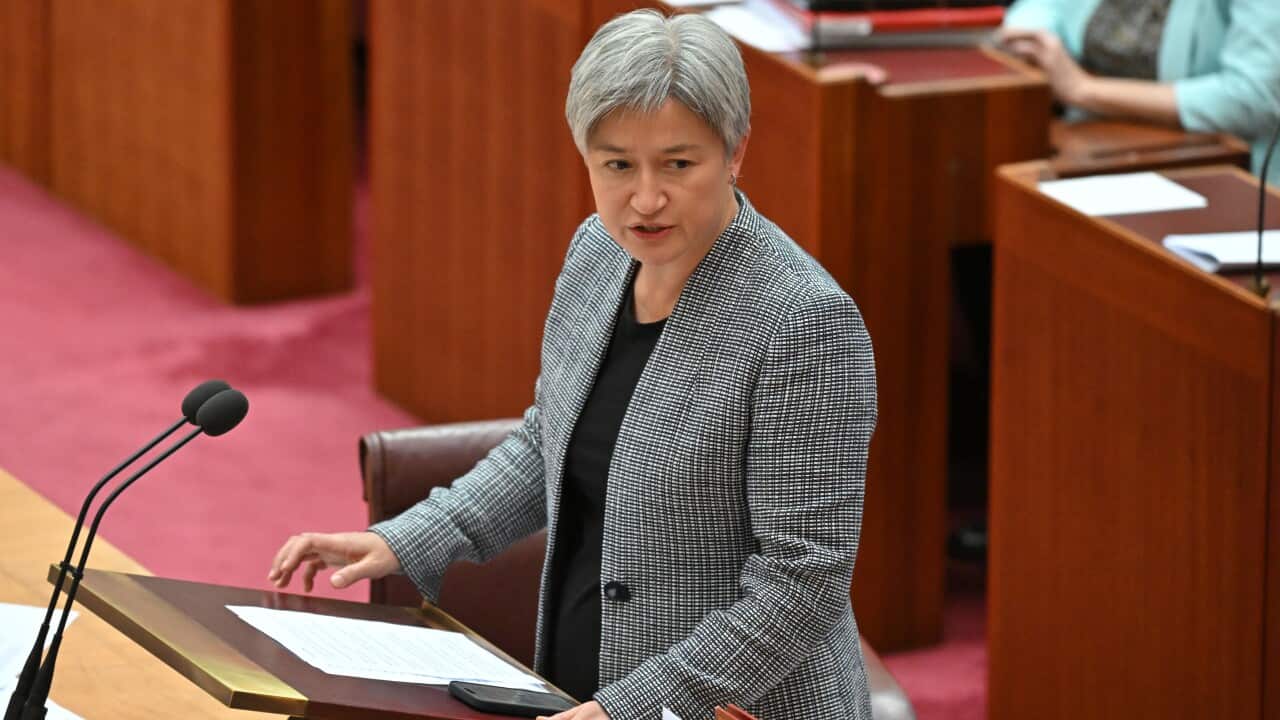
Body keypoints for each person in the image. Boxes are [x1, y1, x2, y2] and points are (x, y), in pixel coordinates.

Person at [267, 10, 877, 719]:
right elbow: (544, 444)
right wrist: (403, 539)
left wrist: (630, 709)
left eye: (678, 164)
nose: (645, 199)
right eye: (617, 165)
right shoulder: (597, 252)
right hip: (576, 687)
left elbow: (803, 579)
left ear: (736, 150)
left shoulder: (802, 322)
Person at [997, 0, 1280, 182]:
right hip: (1095, 148)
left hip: (1219, 177)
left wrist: (1083, 89)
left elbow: (1252, 97)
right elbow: (1044, 7)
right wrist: (1033, 38)